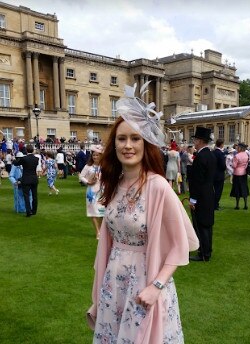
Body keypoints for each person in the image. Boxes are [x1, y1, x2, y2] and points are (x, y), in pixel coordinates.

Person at [87, 83, 199, 343]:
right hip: (114, 281)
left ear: (145, 143)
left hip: (146, 282)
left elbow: (181, 244)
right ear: (113, 145)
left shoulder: (158, 186)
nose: (128, 145)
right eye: (122, 138)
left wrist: (156, 286)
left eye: (135, 138)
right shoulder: (114, 184)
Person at [189, 126, 216, 262]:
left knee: (201, 224)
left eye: (195, 139)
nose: (194, 142)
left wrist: (193, 200)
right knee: (207, 224)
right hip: (209, 193)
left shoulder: (201, 156)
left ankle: (204, 253)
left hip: (201, 196)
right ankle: (206, 251)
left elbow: (197, 181)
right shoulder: (211, 154)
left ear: (200, 141)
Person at [79, 145, 105, 239]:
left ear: (101, 156)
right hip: (92, 192)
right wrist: (88, 182)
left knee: (103, 212)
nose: (95, 157)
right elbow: (81, 176)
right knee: (93, 211)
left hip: (103, 191)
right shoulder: (88, 166)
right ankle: (97, 232)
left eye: (97, 155)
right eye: (94, 155)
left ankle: (103, 231)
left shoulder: (105, 166)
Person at [13, 144, 39, 217]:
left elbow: (16, 163)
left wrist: (14, 159)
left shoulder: (24, 159)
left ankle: (29, 212)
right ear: (32, 150)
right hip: (34, 179)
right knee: (34, 196)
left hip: (26, 179)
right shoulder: (36, 159)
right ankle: (34, 211)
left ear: (26, 150)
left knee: (26, 196)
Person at [230, 142, 250, 209]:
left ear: (240, 148)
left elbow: (234, 166)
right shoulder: (246, 154)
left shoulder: (237, 156)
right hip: (244, 173)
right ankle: (245, 205)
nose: (236, 148)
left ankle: (237, 205)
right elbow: (247, 163)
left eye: (237, 147)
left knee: (237, 189)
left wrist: (231, 163)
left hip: (237, 173)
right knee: (244, 188)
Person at [212, 139, 226, 210]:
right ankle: (215, 205)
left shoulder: (213, 152)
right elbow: (223, 165)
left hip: (213, 174)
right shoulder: (220, 153)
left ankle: (213, 204)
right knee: (218, 191)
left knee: (213, 190)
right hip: (219, 174)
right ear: (221, 144)